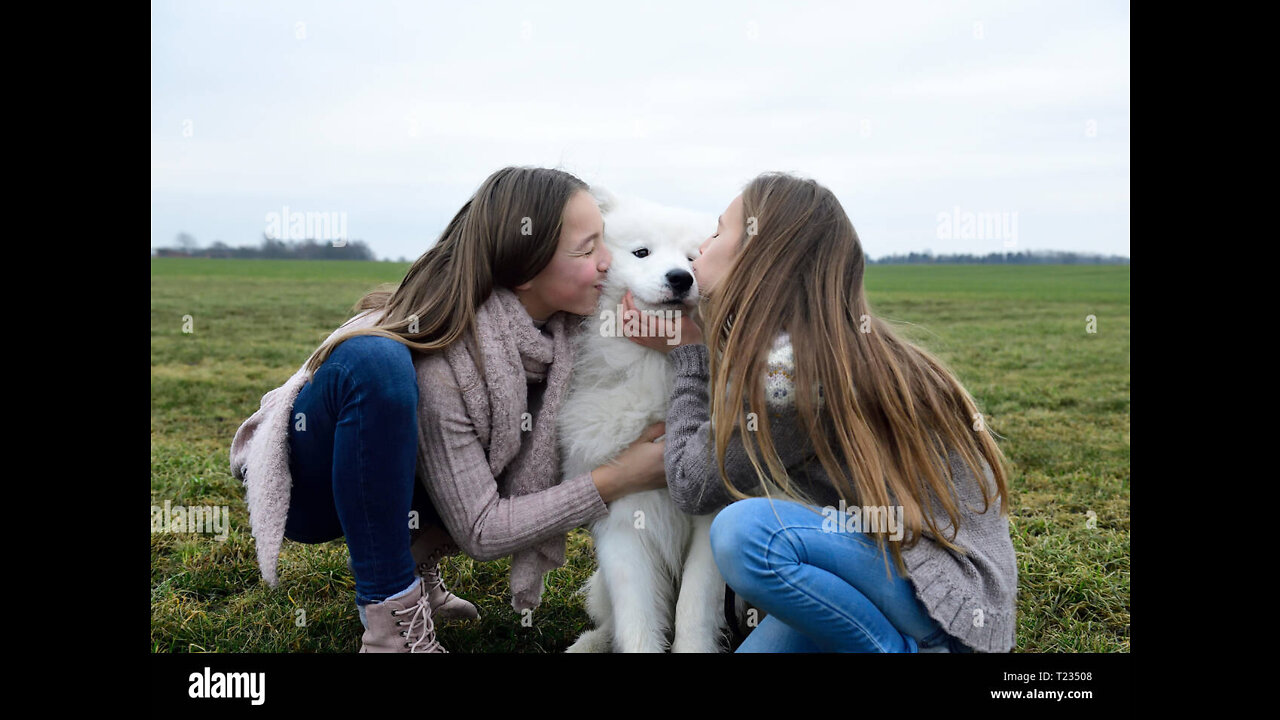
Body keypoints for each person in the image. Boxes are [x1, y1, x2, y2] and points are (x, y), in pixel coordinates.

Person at [230, 166, 668, 653]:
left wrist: (673, 344)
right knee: (376, 362)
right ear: (524, 269)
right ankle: (390, 627)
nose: (609, 261)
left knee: (478, 434)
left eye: (603, 242)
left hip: (392, 476)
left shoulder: (560, 335)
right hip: (313, 491)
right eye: (588, 250)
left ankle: (411, 563)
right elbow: (481, 527)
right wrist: (618, 477)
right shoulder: (448, 359)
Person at [616, 171, 1019, 652]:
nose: (703, 245)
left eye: (720, 231)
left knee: (745, 533)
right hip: (887, 584)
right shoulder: (820, 347)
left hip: (935, 603)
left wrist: (688, 354)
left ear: (758, 257)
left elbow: (691, 483)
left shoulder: (795, 377)